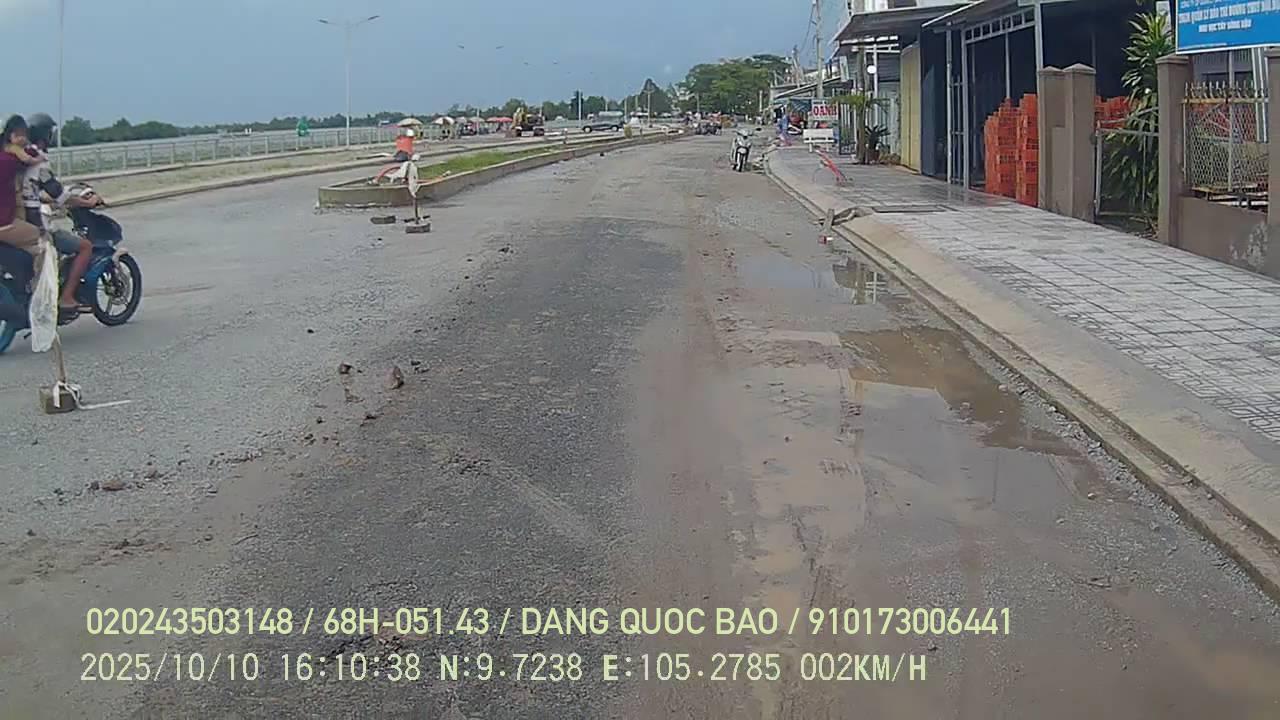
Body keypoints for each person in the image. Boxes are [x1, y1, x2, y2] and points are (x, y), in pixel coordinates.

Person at [23, 113, 101, 314]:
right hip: (36, 224)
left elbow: (30, 191)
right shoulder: (38, 162)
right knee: (85, 247)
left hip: (19, 219)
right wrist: (86, 202)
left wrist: (47, 199)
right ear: (45, 135)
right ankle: (66, 297)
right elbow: (59, 194)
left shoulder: (21, 159)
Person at [0, 115, 44, 290]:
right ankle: (39, 290)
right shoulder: (8, 160)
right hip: (4, 223)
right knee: (43, 240)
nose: (23, 138)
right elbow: (31, 157)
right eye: (19, 134)